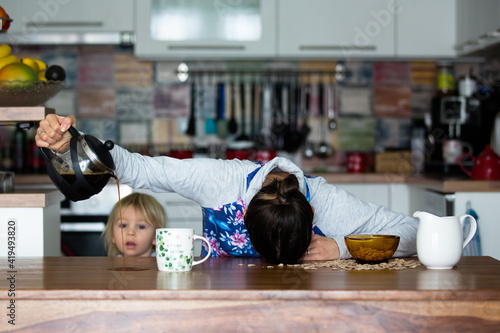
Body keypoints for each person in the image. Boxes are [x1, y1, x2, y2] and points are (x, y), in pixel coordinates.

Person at [36, 114, 418, 264]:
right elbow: (142, 169)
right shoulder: (220, 181)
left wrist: (342, 247)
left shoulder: (328, 201)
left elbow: (415, 232)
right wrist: (68, 143)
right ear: (244, 211)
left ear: (313, 215)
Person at [102, 192, 166, 257]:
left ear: (156, 236)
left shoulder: (162, 265)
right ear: (112, 235)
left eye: (141, 227)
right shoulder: (111, 265)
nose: (130, 232)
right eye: (123, 225)